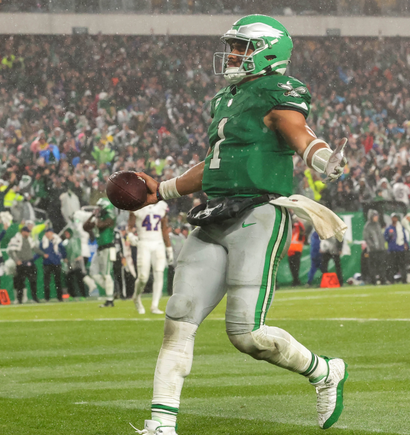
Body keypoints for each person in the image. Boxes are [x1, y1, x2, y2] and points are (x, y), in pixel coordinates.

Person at [131, 15, 348, 434]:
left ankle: (324, 372)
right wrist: (164, 189)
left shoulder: (277, 90)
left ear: (267, 51)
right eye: (232, 45)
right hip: (216, 211)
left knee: (246, 335)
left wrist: (321, 159)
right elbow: (216, 163)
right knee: (178, 316)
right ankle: (160, 425)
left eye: (241, 46)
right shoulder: (225, 98)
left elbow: (298, 132)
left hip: (260, 212)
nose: (232, 54)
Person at [128, 200, 174, 314]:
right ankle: (136, 297)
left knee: (159, 274)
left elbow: (164, 228)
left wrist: (169, 248)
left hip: (158, 243)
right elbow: (129, 226)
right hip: (144, 242)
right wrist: (130, 235)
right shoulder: (137, 205)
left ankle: (154, 305)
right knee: (143, 277)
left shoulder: (161, 206)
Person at [84, 198, 117, 308]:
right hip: (100, 249)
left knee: (106, 274)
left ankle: (109, 300)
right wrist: (92, 216)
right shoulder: (99, 217)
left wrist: (96, 216)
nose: (98, 209)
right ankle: (111, 292)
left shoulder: (110, 217)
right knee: (93, 273)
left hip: (108, 248)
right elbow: (85, 226)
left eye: (100, 207)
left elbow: (101, 225)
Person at [60, 227, 97, 299]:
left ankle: (83, 295)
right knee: (69, 277)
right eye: (65, 233)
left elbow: (76, 251)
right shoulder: (67, 242)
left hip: (77, 262)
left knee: (79, 277)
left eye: (67, 233)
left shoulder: (76, 240)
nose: (66, 234)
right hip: (70, 263)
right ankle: (72, 295)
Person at [8, 226, 39, 303]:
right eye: (27, 232)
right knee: (20, 282)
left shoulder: (30, 239)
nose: (28, 233)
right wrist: (16, 260)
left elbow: (35, 249)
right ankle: (19, 299)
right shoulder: (16, 239)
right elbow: (11, 251)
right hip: (21, 264)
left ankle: (34, 298)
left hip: (30, 263)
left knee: (33, 281)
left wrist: (43, 254)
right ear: (23, 232)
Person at [363, 209, 387, 285]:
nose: (377, 217)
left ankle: (383, 280)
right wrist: (372, 246)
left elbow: (380, 236)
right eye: (375, 216)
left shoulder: (378, 224)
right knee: (373, 266)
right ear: (371, 217)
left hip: (381, 249)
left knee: (382, 265)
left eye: (377, 216)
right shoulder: (367, 226)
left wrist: (382, 246)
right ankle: (374, 281)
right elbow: (366, 238)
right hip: (372, 250)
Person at [40, 228, 64, 302]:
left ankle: (60, 297)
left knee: (58, 281)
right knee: (46, 282)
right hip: (47, 264)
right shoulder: (43, 242)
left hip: (56, 263)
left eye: (47, 232)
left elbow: (63, 250)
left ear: (51, 232)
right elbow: (40, 252)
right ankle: (47, 298)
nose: (46, 234)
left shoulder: (58, 241)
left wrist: (62, 257)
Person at [384, 213, 409, 283]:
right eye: (393, 218)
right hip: (392, 249)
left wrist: (406, 245)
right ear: (391, 219)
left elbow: (404, 237)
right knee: (391, 266)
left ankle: (404, 280)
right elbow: (385, 238)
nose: (394, 219)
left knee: (402, 265)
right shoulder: (389, 228)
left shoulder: (400, 228)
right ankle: (391, 280)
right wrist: (389, 237)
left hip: (400, 249)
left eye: (396, 218)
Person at [287, 215, 306, 286]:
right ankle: (296, 280)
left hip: (295, 250)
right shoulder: (295, 228)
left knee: (295, 267)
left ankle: (296, 281)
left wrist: (297, 220)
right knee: (294, 267)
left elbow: (301, 229)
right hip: (293, 250)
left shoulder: (298, 227)